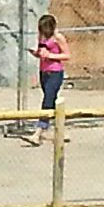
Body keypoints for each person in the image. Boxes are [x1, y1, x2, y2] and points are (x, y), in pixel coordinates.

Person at [29, 14, 71, 145]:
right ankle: (61, 130)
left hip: (55, 72)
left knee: (47, 99)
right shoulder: (41, 36)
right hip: (43, 72)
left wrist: (50, 55)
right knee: (52, 100)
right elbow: (41, 52)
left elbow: (67, 55)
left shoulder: (58, 37)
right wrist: (36, 53)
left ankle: (39, 131)